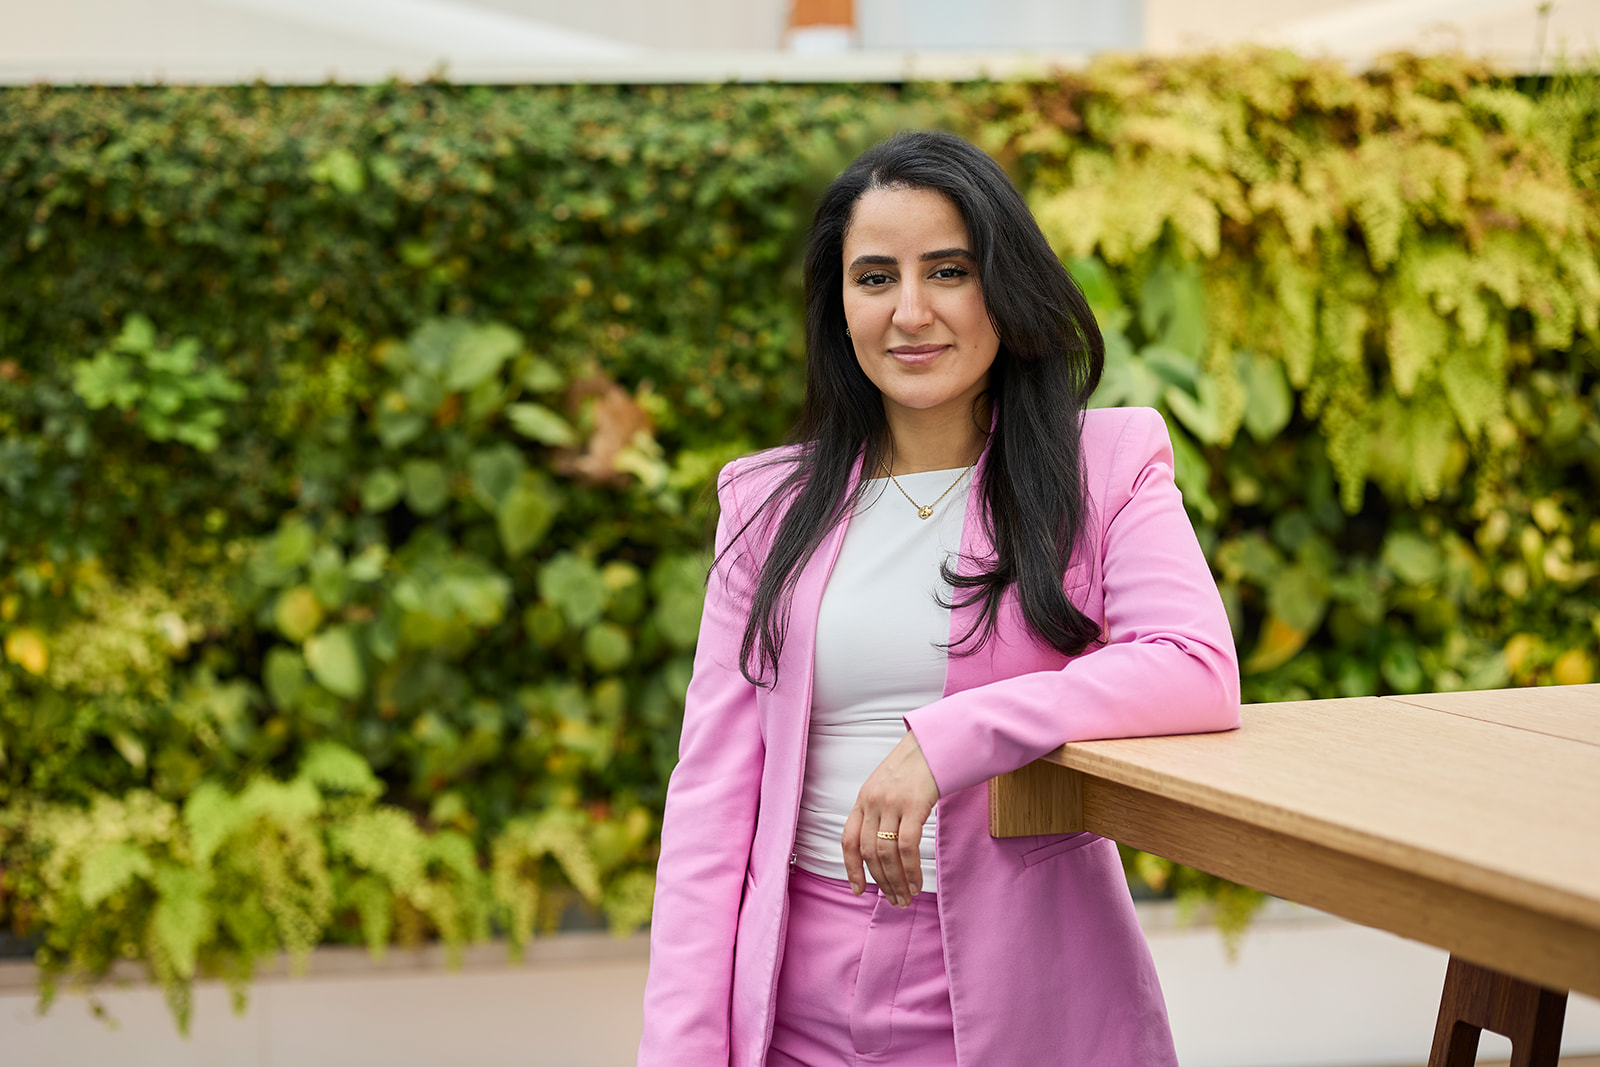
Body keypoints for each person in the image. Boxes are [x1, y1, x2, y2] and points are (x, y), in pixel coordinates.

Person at [638, 129, 1240, 1066]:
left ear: (1005, 286)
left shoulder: (1107, 465)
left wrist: (946, 737)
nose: (910, 311)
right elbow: (711, 805)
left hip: (1018, 990)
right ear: (839, 307)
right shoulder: (763, 505)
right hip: (794, 998)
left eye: (948, 271)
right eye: (874, 278)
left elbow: (1194, 668)